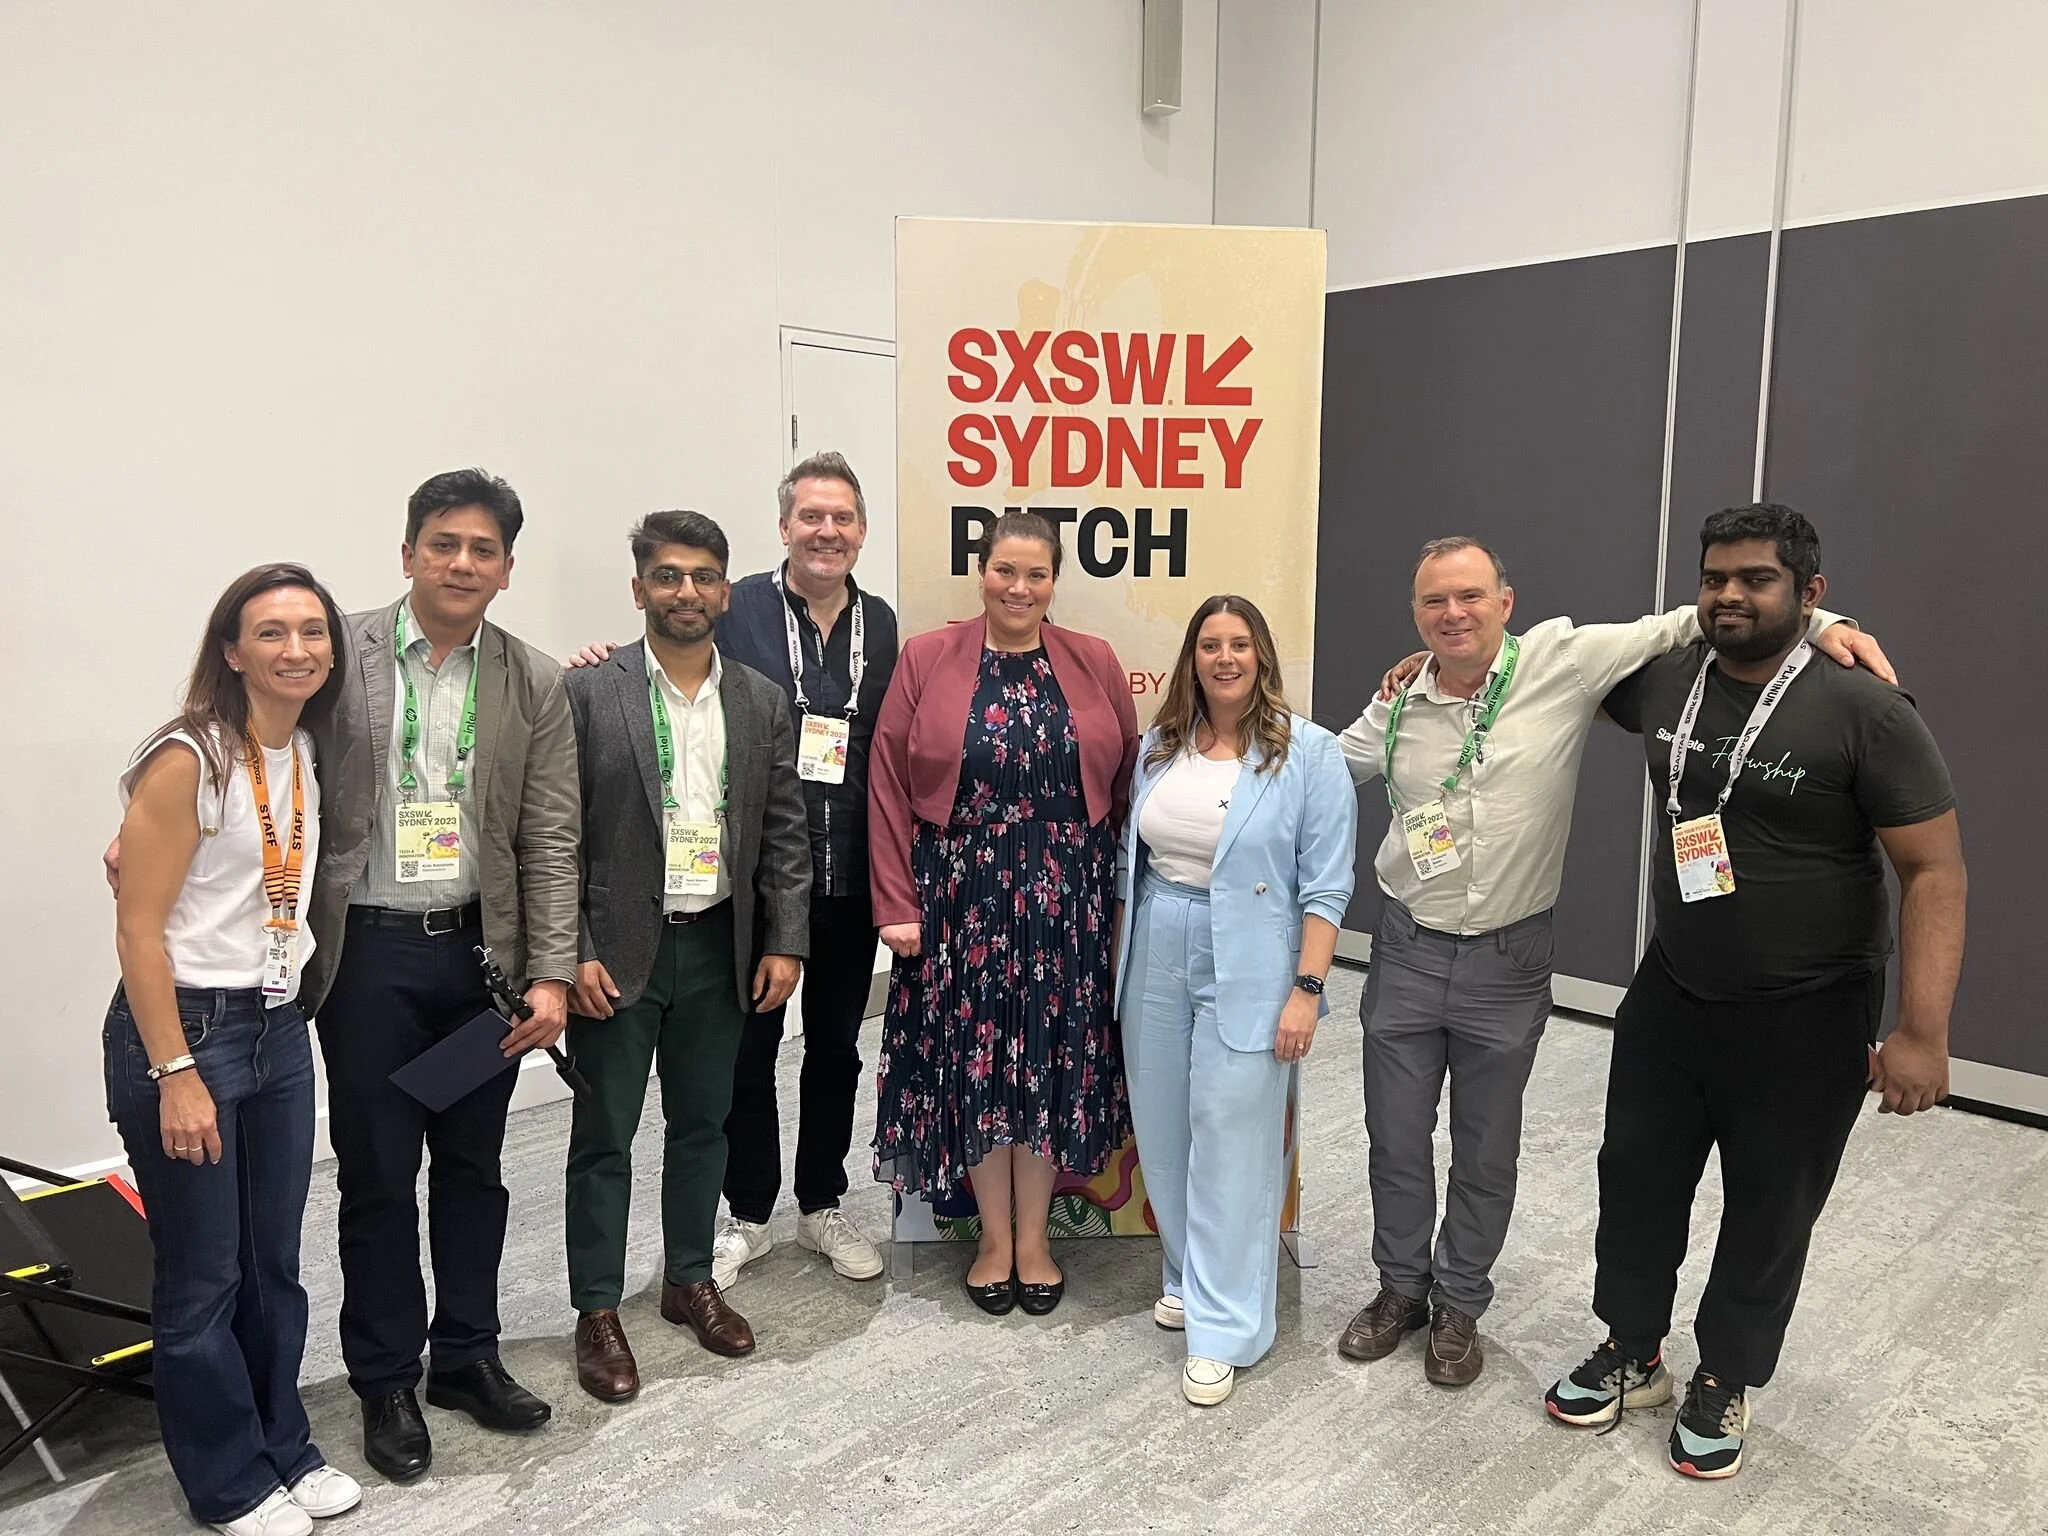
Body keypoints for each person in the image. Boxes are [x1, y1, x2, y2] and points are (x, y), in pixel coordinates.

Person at [1334, 538, 1888, 1387]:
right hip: (1406, 947)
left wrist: (1824, 622)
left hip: (1509, 959)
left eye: (1471, 597)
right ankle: (1401, 1289)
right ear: (1415, 613)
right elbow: (1324, 770)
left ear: (1505, 601)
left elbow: (1691, 623)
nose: (1454, 614)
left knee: (1485, 1149)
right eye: (1435, 602)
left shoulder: (1561, 660)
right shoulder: (1401, 700)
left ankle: (1459, 1305)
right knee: (1396, 1140)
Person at [1544, 504, 1963, 1480]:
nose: (1728, 595)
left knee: (1769, 1207)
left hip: (1807, 1014)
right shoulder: (1662, 678)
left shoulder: (1865, 709)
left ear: (1808, 594)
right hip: (1674, 990)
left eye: (1755, 580)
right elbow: (1542, 671)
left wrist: (1920, 1030)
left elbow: (1934, 873)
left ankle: (1724, 1372)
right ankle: (1631, 1348)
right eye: (1713, 578)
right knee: (1634, 1180)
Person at [300, 470, 580, 1482]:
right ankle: (384, 1375)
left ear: (506, 568)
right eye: (443, 544)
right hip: (368, 957)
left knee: (473, 1170)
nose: (462, 563)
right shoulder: (339, 654)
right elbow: (254, 746)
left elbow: (550, 837)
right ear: (408, 551)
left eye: (482, 549)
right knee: (376, 1176)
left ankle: (465, 1355)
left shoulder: (532, 680)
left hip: (480, 968)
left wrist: (548, 975)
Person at [566, 453, 898, 1294]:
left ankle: (820, 1199)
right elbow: (661, 675)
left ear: (861, 531)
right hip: (748, 887)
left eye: (844, 518)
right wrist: (597, 660)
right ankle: (746, 1208)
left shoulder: (883, 624)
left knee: (834, 1049)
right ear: (784, 526)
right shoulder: (736, 605)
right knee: (743, 1054)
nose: (828, 531)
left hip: (849, 872)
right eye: (811, 516)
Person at [108, 564, 362, 1535]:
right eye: (271, 632)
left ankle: (283, 1444)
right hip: (189, 1032)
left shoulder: (301, 747)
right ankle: (225, 1481)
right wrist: (175, 1076)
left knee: (274, 1265)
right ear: (231, 650)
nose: (295, 648)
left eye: (311, 631)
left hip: (276, 1027)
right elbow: (139, 931)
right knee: (203, 1277)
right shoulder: (189, 756)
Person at [562, 510, 810, 1401]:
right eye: (668, 576)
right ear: (639, 590)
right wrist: (573, 950)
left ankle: (687, 1278)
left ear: (726, 590)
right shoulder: (588, 693)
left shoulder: (759, 699)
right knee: (605, 1137)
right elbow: (555, 837)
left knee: (705, 1122)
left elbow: (784, 831)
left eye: (704, 577)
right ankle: (596, 1308)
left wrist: (786, 937)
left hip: (721, 946)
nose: (687, 592)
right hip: (620, 955)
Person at [867, 510, 1139, 1315]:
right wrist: (896, 902)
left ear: (1055, 582)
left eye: (1037, 574)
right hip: (960, 900)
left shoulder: (1093, 661)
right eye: (1005, 570)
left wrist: (1119, 901)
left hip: (1065, 900)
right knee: (979, 1067)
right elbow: (886, 785)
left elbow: (1126, 783)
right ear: (980, 572)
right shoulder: (927, 658)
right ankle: (994, 1239)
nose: (1020, 588)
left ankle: (1036, 1240)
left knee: (1048, 1066)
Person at [1113, 595, 1356, 1406]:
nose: (1225, 658)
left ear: (1262, 656)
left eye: (1240, 644)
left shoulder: (1307, 753)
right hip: (1157, 941)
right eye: (1210, 644)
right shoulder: (1160, 743)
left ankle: (1226, 1324)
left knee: (1233, 1134)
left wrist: (1307, 992)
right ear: (1192, 657)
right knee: (1166, 1124)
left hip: (1250, 957)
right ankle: (1187, 1271)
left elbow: (1326, 887)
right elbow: (1135, 859)